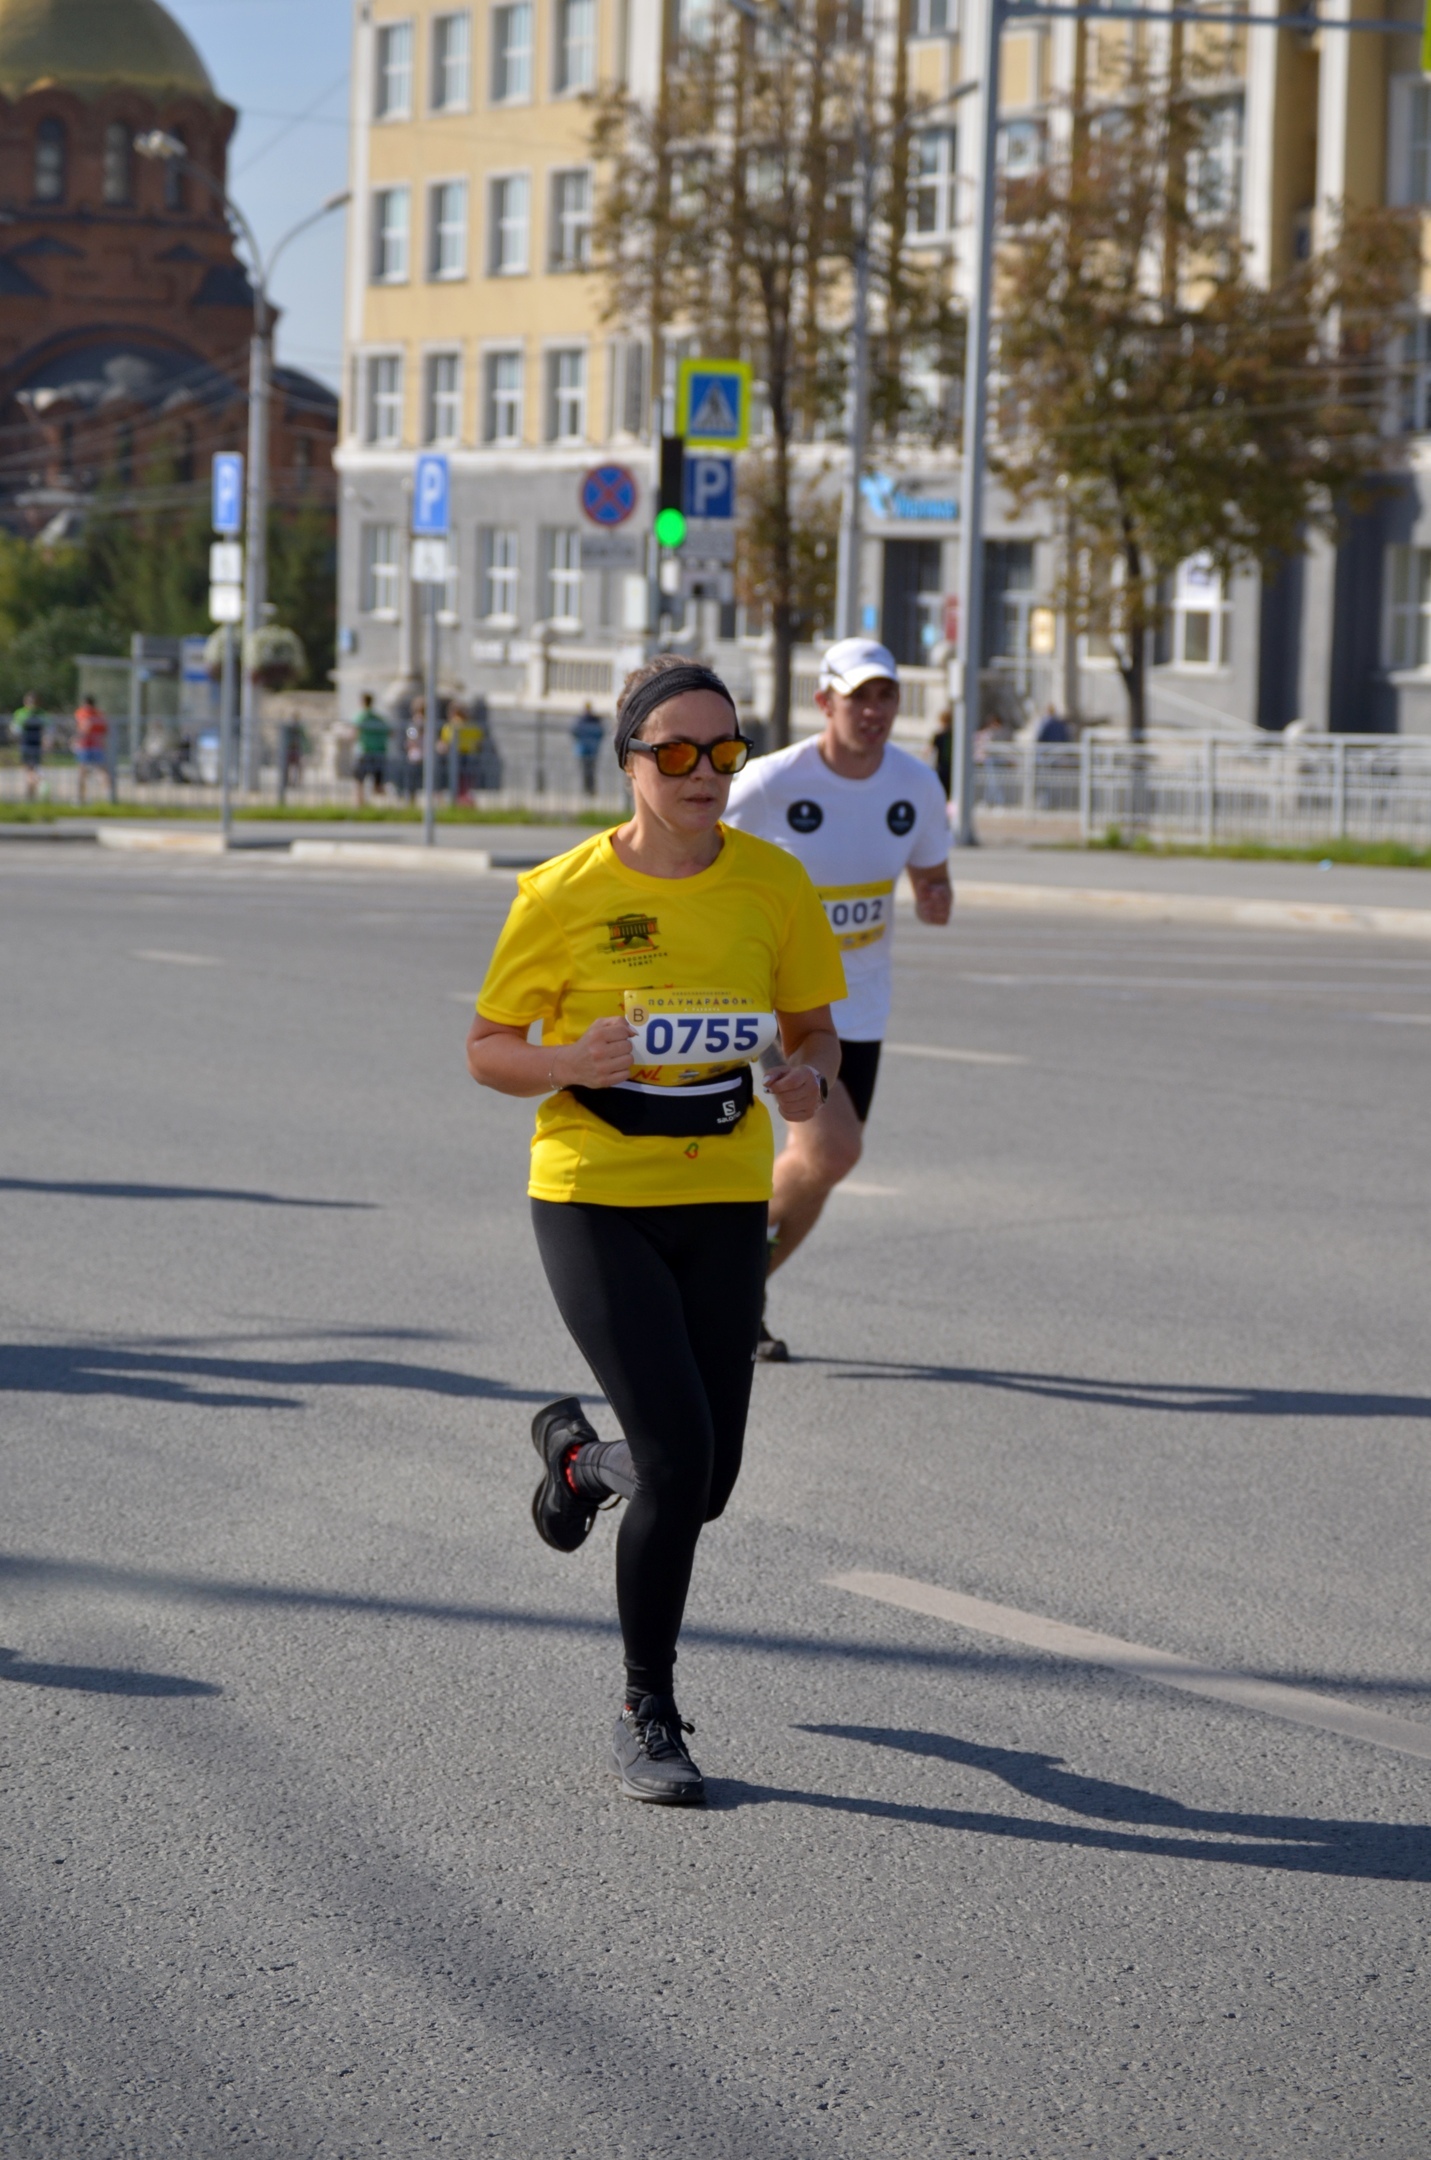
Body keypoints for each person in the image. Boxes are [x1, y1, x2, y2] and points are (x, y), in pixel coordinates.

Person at [466, 654, 845, 1804]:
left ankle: (582, 1462)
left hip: (723, 1200)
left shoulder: (774, 884)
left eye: (723, 751)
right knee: (679, 1464)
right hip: (593, 1198)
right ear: (630, 762)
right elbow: (488, 1050)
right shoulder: (560, 893)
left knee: (707, 1481)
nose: (703, 772)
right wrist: (565, 1060)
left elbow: (814, 1035)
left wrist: (808, 1086)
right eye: (676, 753)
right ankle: (649, 1707)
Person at [723, 636, 953, 1361]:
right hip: (786, 1002)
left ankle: (735, 1298)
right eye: (859, 697)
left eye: (885, 695)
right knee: (834, 1146)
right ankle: (723, 1285)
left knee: (823, 1166)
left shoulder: (914, 785)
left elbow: (929, 881)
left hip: (863, 1007)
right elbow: (694, 849)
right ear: (824, 702)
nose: (874, 710)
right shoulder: (770, 782)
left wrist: (937, 897)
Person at [352, 692, 392, 807]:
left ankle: (359, 806)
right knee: (378, 784)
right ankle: (385, 806)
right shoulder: (379, 718)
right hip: (380, 752)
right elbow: (390, 732)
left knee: (359, 781)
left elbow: (354, 732)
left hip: (365, 751)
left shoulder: (361, 716)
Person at [72, 695, 108, 805]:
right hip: (97, 746)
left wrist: (75, 740)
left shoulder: (81, 713)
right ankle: (108, 796)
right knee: (101, 771)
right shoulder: (100, 715)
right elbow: (105, 730)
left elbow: (84, 728)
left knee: (82, 772)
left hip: (85, 746)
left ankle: (80, 798)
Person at [14, 693, 45, 803]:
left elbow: (16, 729)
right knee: (31, 769)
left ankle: (37, 785)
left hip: (28, 744)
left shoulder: (22, 713)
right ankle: (30, 796)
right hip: (31, 744)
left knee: (29, 770)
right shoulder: (41, 713)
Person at [571, 704, 604, 797]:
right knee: (586, 771)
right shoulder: (591, 721)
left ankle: (589, 789)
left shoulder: (584, 721)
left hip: (589, 750)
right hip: (586, 750)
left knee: (590, 771)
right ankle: (588, 789)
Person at [930, 706, 953, 795]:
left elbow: (929, 750)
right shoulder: (954, 735)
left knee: (940, 792)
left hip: (942, 768)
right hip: (952, 768)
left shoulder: (938, 735)